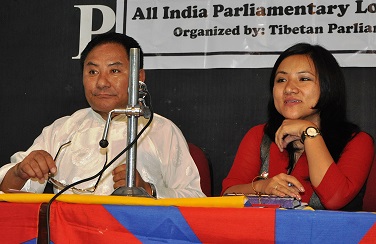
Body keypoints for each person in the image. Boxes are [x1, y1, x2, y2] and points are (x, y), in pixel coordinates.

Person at [0, 32, 205, 198]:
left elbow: (196, 198)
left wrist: (148, 190)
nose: (102, 82)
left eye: (114, 71)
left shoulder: (161, 130)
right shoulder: (62, 129)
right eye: (92, 72)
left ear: (139, 77)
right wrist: (20, 172)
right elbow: (9, 194)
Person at [222, 43, 374, 210]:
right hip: (264, 234)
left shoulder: (357, 142)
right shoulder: (260, 136)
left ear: (327, 86)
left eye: (304, 79)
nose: (289, 89)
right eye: (281, 80)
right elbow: (227, 195)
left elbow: (335, 199)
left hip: (330, 235)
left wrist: (309, 132)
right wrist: (262, 187)